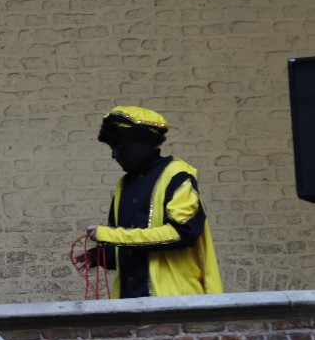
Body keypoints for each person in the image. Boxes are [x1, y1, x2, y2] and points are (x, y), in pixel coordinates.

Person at [72, 105, 222, 298]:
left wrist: (110, 235)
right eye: (111, 147)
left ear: (143, 142)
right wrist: (102, 255)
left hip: (173, 300)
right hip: (128, 300)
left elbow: (183, 233)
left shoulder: (177, 174)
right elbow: (129, 245)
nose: (114, 154)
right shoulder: (124, 185)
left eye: (120, 146)